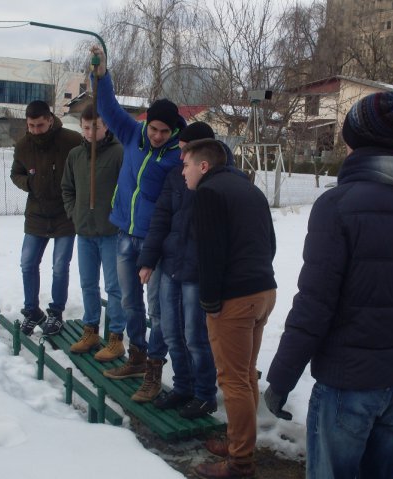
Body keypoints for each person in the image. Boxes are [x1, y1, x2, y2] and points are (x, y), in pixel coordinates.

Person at [265, 92, 393, 479]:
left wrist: (280, 379)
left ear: (353, 140)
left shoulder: (338, 207)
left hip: (347, 386)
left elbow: (314, 306)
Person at [89, 45, 186, 403]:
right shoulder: (133, 135)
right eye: (154, 128)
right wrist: (100, 77)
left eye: (164, 131)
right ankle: (137, 357)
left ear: (174, 130)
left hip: (155, 243)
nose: (157, 135)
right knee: (130, 302)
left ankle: (155, 371)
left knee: (158, 308)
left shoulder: (178, 156)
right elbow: (107, 108)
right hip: (123, 234)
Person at [182, 139, 277, 479]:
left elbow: (211, 253)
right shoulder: (247, 188)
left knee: (233, 380)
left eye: (186, 165)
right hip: (264, 291)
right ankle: (240, 442)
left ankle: (240, 463)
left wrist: (210, 301)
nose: (183, 173)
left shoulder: (208, 193)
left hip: (234, 299)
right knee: (246, 374)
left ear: (203, 166)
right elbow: (272, 242)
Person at [138, 122, 231, 420]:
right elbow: (161, 218)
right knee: (170, 330)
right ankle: (182, 387)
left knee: (195, 336)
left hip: (198, 272)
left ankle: (204, 394)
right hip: (170, 265)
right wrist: (149, 259)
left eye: (184, 152)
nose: (180, 160)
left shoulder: (222, 180)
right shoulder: (175, 177)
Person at [10, 100, 82, 336]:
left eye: (40, 125)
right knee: (28, 263)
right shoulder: (23, 146)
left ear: (50, 119)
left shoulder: (71, 141)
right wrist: (28, 183)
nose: (35, 130)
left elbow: (86, 166)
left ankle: (56, 313)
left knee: (60, 266)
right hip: (37, 214)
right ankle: (32, 311)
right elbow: (15, 173)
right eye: (31, 125)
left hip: (65, 215)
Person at [60, 104, 127, 358]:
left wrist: (117, 217)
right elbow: (67, 188)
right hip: (85, 232)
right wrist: (74, 212)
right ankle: (90, 331)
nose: (90, 132)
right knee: (88, 283)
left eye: (95, 127)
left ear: (105, 126)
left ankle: (116, 337)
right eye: (86, 127)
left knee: (114, 286)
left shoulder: (118, 153)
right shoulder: (75, 155)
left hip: (111, 233)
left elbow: (127, 189)